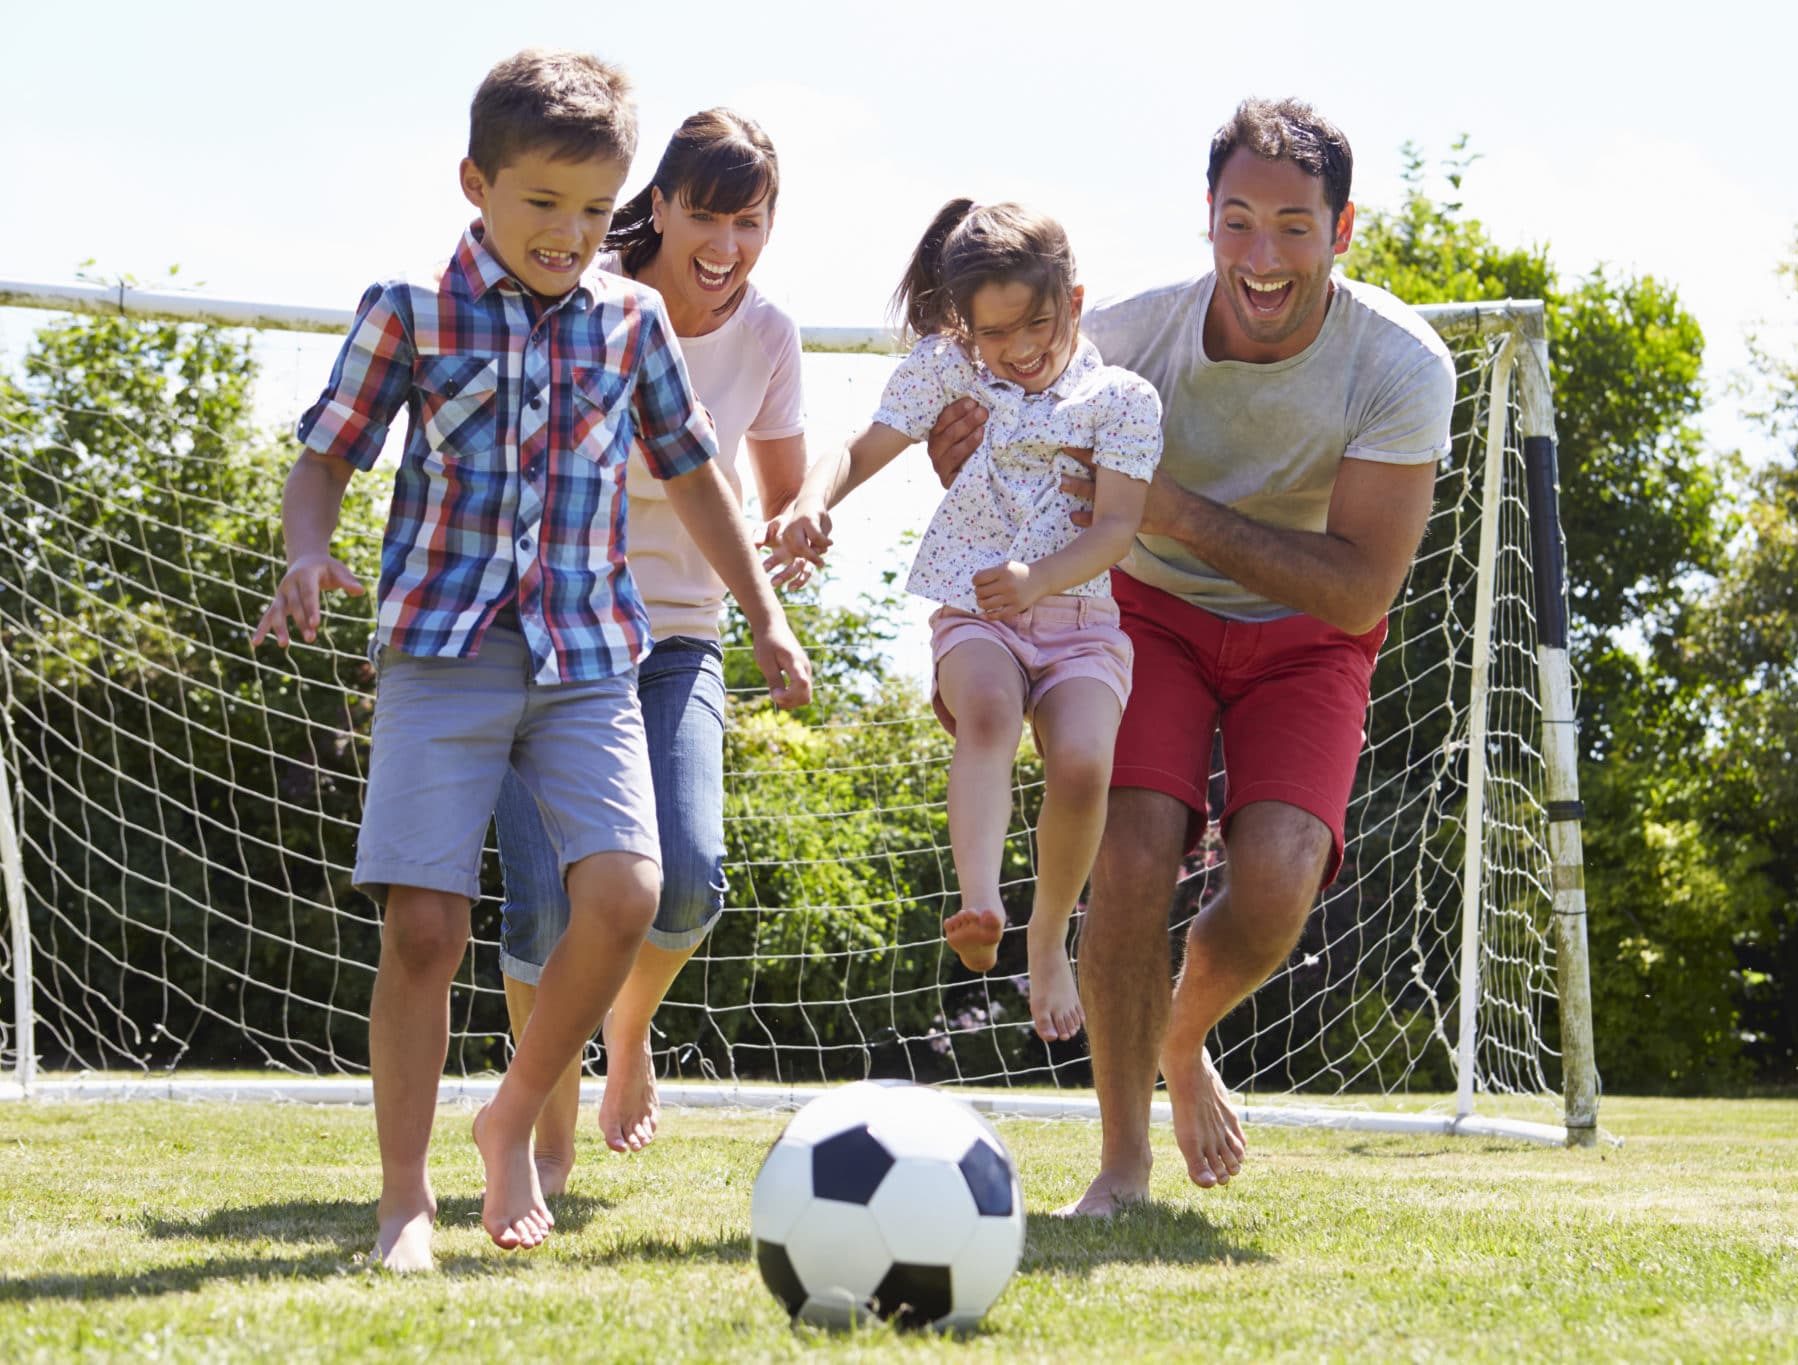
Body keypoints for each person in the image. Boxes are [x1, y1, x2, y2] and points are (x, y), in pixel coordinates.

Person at [249, 51, 811, 1271]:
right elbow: (326, 457)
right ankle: (406, 1199)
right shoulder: (409, 308)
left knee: (625, 892)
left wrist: (761, 615)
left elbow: (693, 473)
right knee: (426, 928)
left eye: (596, 211)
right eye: (543, 203)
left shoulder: (633, 319)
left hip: (587, 656)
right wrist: (306, 551)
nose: (570, 233)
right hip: (442, 654)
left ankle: (509, 1112)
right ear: (477, 184)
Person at [926, 99, 1454, 1214]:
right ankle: (1120, 1167)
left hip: (1309, 636)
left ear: (1340, 230)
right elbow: (1012, 489)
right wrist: (957, 464)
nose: (1261, 258)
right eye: (1237, 222)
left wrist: (1171, 508)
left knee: (1273, 888)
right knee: (1127, 860)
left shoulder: (1400, 364)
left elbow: (1360, 584)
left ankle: (1177, 1035)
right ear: (1206, 219)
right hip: (1147, 615)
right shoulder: (1121, 337)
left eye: (1292, 228)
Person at [490, 108, 811, 1193]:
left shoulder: (766, 336)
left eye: (749, 221)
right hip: (556, 632)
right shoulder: (583, 296)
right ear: (660, 206)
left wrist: (800, 530)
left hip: (676, 634)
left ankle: (625, 1033)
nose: (724, 245)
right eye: (706, 216)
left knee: (687, 883)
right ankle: (544, 1110)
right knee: (543, 901)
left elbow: (775, 491)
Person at [778, 200, 1162, 1043]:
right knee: (986, 712)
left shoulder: (1121, 399)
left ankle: (1049, 933)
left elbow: (1116, 528)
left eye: (1038, 323)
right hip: (977, 611)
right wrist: (811, 498)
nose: (1020, 348)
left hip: (1077, 618)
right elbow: (862, 446)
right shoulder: (947, 369)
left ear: (1076, 298)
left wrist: (1038, 578)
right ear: (965, 328)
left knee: (1084, 762)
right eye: (996, 334)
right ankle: (981, 900)